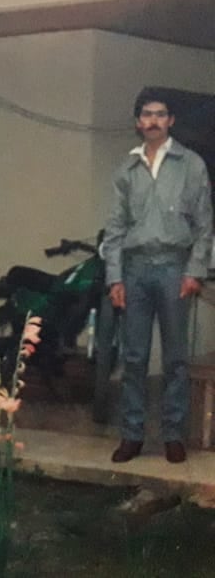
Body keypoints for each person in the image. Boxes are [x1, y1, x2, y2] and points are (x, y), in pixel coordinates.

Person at [104, 88, 213, 464]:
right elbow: (115, 229)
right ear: (138, 122)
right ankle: (132, 435)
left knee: (175, 358)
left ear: (171, 121)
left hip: (174, 269)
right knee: (134, 357)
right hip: (134, 270)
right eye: (147, 114)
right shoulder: (126, 169)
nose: (153, 120)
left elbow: (204, 224)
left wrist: (194, 270)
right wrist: (115, 278)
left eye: (160, 114)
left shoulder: (190, 165)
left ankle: (173, 436)